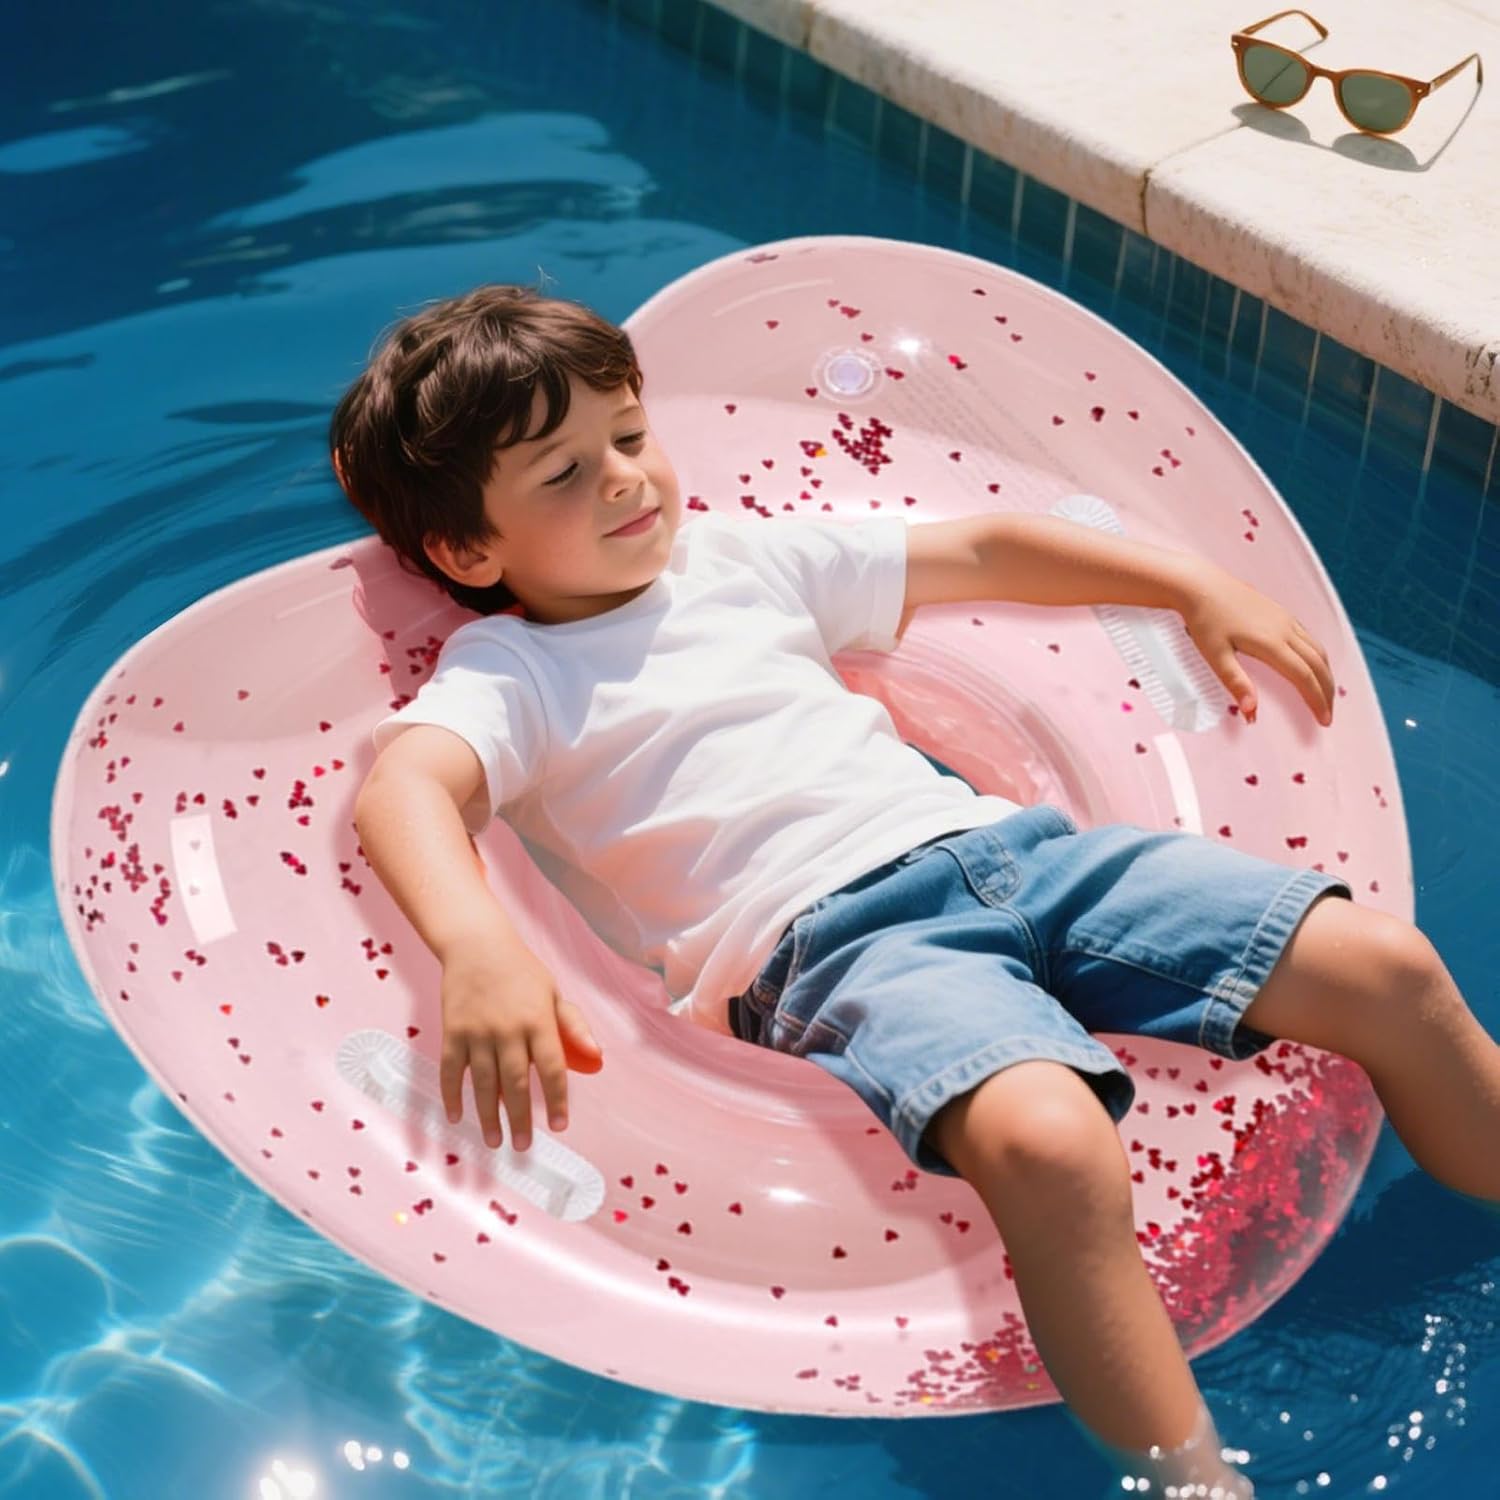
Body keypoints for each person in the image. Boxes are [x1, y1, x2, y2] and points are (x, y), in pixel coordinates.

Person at [331, 283, 1500, 1499]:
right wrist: (478, 947)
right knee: (1052, 1143)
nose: (625, 479)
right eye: (564, 474)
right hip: (838, 947)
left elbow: (980, 549)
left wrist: (1184, 584)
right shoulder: (511, 672)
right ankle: (1194, 1479)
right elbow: (404, 790)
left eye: (628, 435)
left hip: (1018, 855)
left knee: (1387, 966)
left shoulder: (738, 562)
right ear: (470, 551)